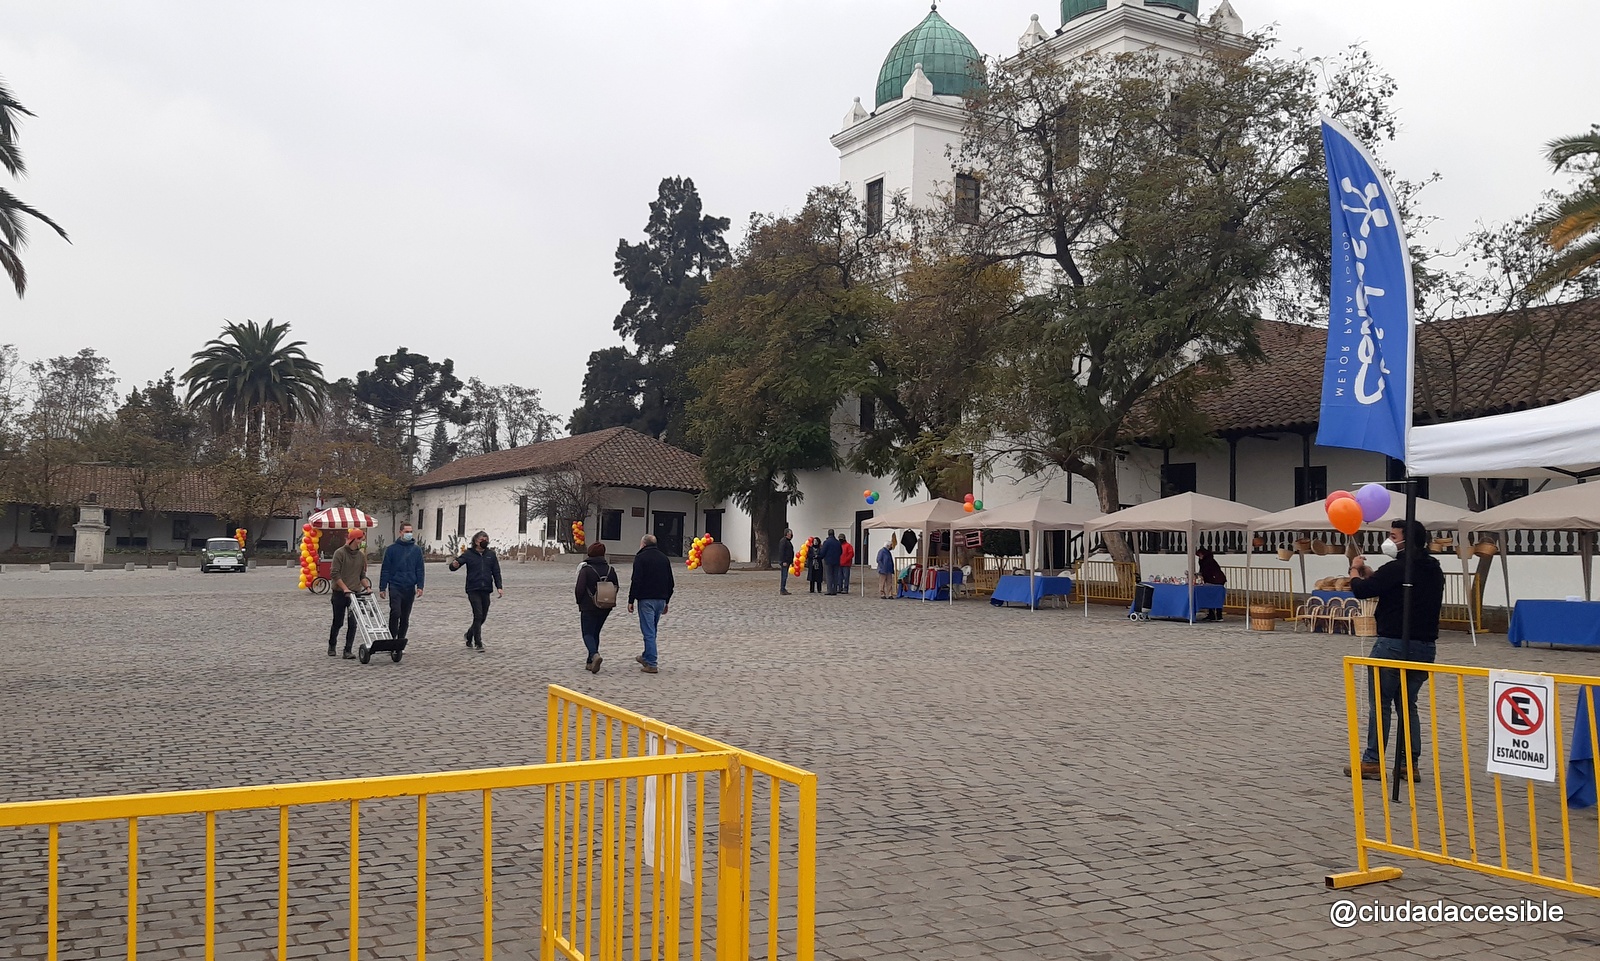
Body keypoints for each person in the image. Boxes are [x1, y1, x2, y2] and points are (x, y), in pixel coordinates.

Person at [1344, 519, 1445, 782]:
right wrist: (1372, 576)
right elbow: (1386, 586)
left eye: (1393, 535)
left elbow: (1363, 591)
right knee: (1408, 705)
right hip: (1424, 646)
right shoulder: (1432, 568)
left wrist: (1355, 571)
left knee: (1381, 704)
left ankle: (1373, 760)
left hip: (1392, 644)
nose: (1389, 540)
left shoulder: (1398, 567)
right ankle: (1408, 763)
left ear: (1405, 540)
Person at [627, 534, 674, 674]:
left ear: (643, 544)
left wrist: (631, 600)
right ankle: (646, 656)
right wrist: (667, 600)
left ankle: (652, 663)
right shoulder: (664, 558)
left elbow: (636, 580)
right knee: (652, 630)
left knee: (648, 632)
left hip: (646, 599)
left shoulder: (641, 558)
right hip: (660, 600)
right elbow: (671, 582)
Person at [448, 530, 503, 650]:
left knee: (483, 616)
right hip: (473, 588)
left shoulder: (491, 554)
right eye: (482, 540)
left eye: (486, 539)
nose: (485, 542)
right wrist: (454, 565)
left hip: (486, 588)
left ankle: (469, 634)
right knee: (478, 614)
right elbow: (455, 565)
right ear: (476, 541)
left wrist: (499, 586)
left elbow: (496, 571)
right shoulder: (469, 554)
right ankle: (478, 642)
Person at [378, 522, 425, 649]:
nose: (409, 534)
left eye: (410, 531)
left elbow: (420, 569)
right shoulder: (392, 549)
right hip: (395, 585)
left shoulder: (416, 550)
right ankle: (392, 638)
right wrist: (382, 587)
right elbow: (386, 569)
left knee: (405, 616)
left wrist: (420, 586)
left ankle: (400, 641)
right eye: (406, 531)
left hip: (409, 587)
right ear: (400, 532)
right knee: (395, 612)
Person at [575, 542, 619, 673]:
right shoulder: (610, 569)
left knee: (587, 633)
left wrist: (579, 602)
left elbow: (579, 589)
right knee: (595, 632)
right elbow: (616, 586)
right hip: (605, 606)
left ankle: (594, 654)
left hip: (588, 606)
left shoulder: (586, 569)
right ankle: (590, 662)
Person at [327, 529, 369, 659]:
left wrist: (367, 587)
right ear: (355, 539)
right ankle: (332, 645)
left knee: (353, 623)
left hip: (355, 594)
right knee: (338, 622)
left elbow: (361, 575)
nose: (362, 542)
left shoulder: (361, 556)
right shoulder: (339, 553)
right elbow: (335, 574)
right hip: (340, 593)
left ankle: (348, 650)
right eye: (361, 539)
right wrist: (345, 588)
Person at [1195, 548, 1226, 621]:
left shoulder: (1209, 561)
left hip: (1217, 580)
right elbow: (1203, 571)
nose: (1200, 556)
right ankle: (1211, 614)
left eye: (1200, 555)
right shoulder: (1203, 561)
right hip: (1210, 580)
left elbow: (1207, 571)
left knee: (1217, 597)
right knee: (1210, 597)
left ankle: (1219, 615)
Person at [821, 530, 843, 595]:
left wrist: (821, 556)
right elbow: (840, 551)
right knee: (835, 576)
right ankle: (834, 590)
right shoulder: (837, 542)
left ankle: (829, 590)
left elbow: (823, 551)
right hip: (836, 561)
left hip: (828, 561)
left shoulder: (826, 542)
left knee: (829, 576)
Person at [778, 529, 795, 595]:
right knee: (784, 576)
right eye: (790, 534)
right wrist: (783, 561)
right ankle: (782, 589)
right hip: (784, 561)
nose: (791, 535)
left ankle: (783, 588)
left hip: (787, 561)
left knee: (785, 576)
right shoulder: (783, 541)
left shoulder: (787, 541)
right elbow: (782, 552)